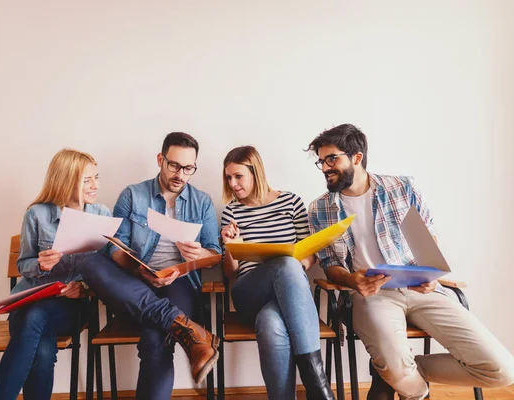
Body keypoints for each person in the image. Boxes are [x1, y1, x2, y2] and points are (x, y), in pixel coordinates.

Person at [307, 123, 514, 400]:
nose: (324, 167)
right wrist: (351, 281)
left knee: (502, 370)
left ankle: (392, 372)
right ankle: (403, 380)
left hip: (422, 290)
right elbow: (330, 263)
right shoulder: (320, 208)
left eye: (332, 158)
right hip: (372, 296)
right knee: (397, 368)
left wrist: (429, 275)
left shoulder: (401, 188)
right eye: (321, 161)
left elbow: (427, 239)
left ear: (356, 157)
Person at [81, 132, 221, 400]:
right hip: (133, 283)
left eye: (188, 168)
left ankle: (175, 322)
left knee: (155, 338)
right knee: (91, 262)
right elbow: (114, 246)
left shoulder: (201, 201)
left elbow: (215, 254)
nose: (181, 174)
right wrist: (138, 269)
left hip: (179, 283)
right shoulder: (133, 195)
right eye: (174, 165)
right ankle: (184, 326)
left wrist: (199, 253)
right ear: (160, 159)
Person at [0, 148, 111, 400]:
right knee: (43, 350)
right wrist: (40, 265)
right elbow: (24, 263)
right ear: (66, 181)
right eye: (87, 180)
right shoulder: (37, 214)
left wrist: (85, 288)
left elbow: (107, 269)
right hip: (28, 302)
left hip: (72, 308)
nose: (95, 186)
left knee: (36, 319)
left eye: (96, 178)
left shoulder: (102, 215)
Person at [220, 145, 335, 400]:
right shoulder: (231, 211)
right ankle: (318, 388)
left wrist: (294, 268)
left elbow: (309, 254)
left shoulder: (290, 202)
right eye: (228, 177)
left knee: (271, 324)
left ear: (256, 172)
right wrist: (230, 248)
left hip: (288, 294)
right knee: (285, 264)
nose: (233, 183)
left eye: (238, 176)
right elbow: (230, 273)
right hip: (249, 292)